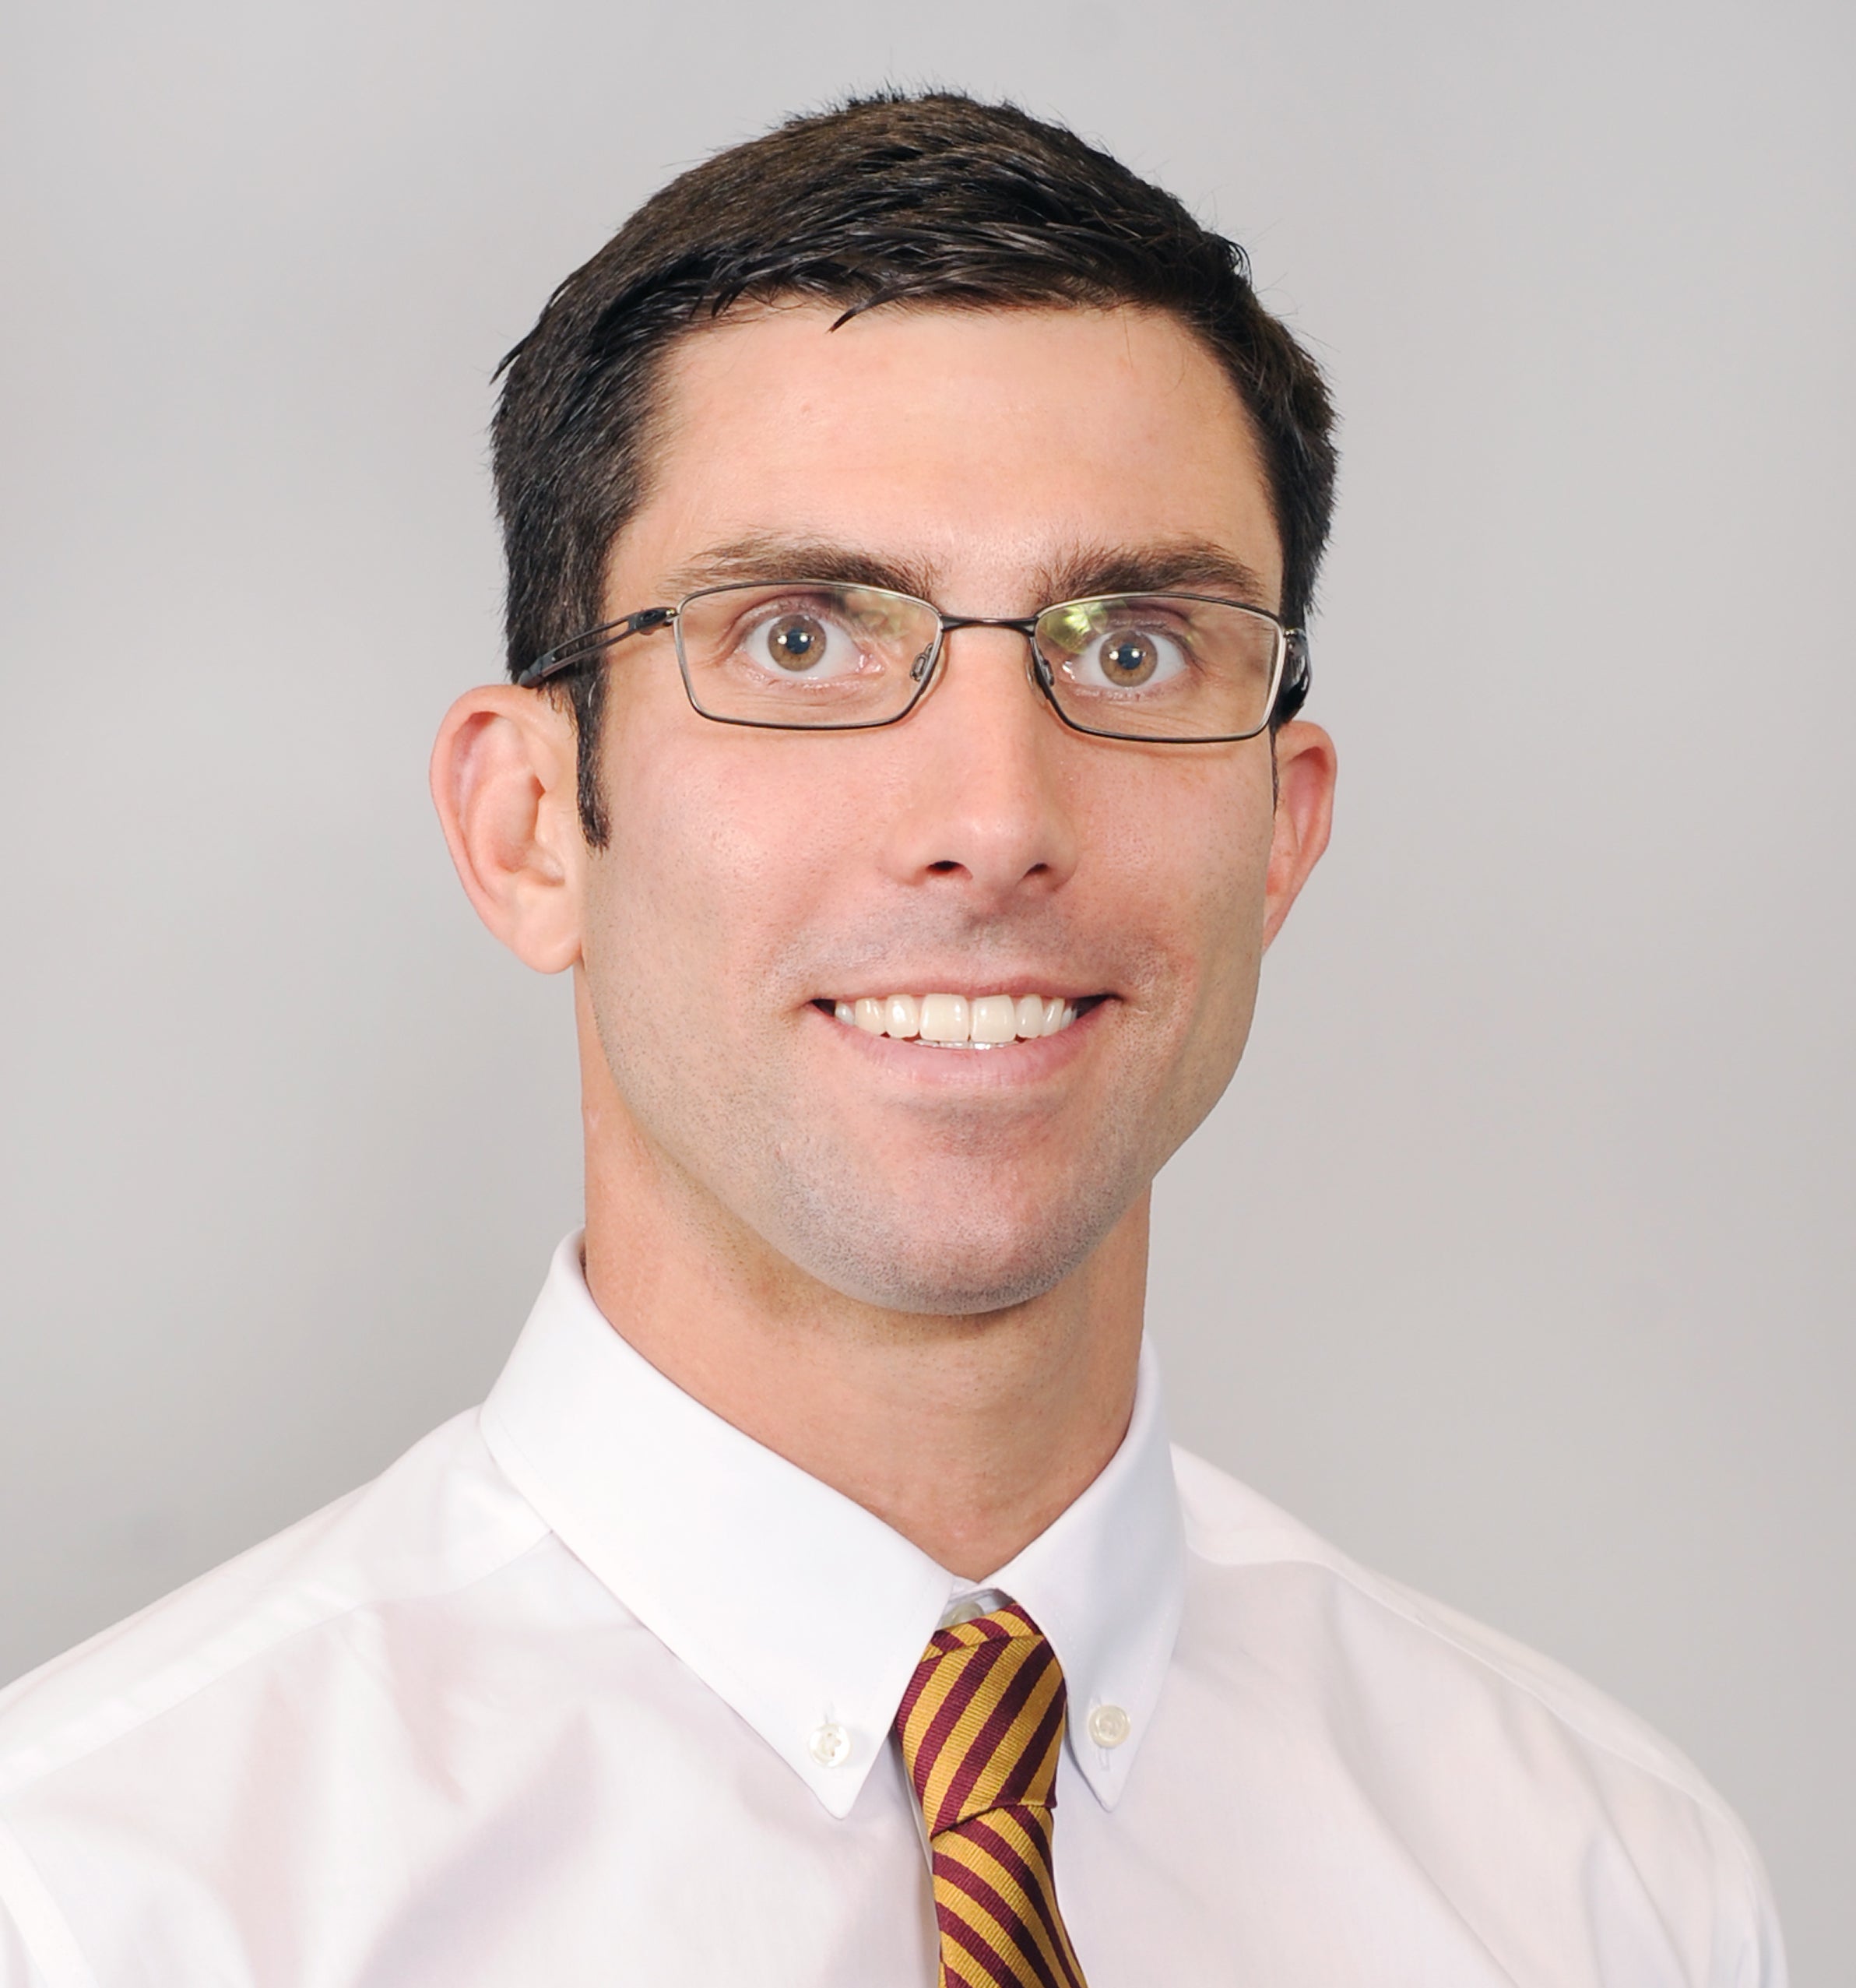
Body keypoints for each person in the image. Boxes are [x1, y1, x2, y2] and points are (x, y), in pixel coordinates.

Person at [0, 91, 1784, 1988]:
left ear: (1284, 824)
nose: (995, 813)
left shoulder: (1598, 1890)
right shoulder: (108, 1898)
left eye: (1129, 644)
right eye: (800, 638)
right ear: (529, 825)